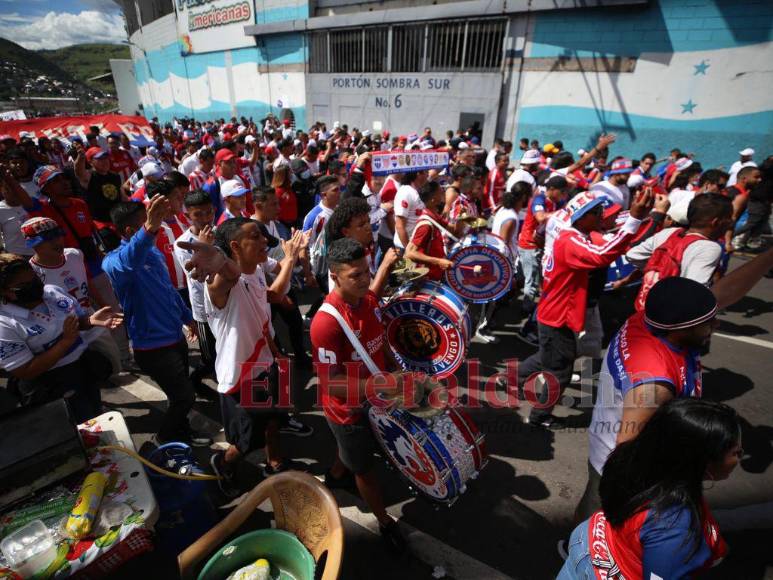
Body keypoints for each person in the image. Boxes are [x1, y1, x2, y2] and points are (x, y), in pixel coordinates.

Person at [577, 250, 773, 521]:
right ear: (680, 329)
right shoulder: (656, 383)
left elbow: (724, 293)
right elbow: (628, 446)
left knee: (592, 510)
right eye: (708, 322)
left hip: (609, 449)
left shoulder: (650, 319)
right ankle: (584, 555)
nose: (715, 324)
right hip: (623, 470)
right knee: (601, 527)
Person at [179, 219, 306, 494]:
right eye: (255, 237)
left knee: (275, 420)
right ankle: (222, 463)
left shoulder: (258, 270)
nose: (264, 242)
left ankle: (275, 463)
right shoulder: (220, 283)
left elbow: (267, 301)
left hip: (270, 363)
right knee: (247, 441)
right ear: (234, 246)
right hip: (244, 377)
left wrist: (277, 353)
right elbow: (228, 275)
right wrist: (219, 260)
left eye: (263, 236)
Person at [518, 188, 653, 430]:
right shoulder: (570, 241)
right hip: (557, 315)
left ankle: (512, 380)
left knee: (550, 358)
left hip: (556, 311)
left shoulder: (566, 229)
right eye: (597, 212)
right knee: (559, 371)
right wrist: (633, 220)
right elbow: (601, 255)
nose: (602, 216)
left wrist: (635, 221)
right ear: (582, 217)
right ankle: (539, 416)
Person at [560, 399, 739, 579]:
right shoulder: (674, 527)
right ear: (702, 461)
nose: (741, 456)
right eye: (735, 453)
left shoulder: (632, 458)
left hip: (589, 541)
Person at [310, 237, 407, 554]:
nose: (366, 280)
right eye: (356, 275)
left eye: (367, 271)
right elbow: (331, 383)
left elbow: (380, 345)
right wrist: (381, 386)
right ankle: (384, 521)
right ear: (335, 276)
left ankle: (336, 474)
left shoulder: (369, 301)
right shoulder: (326, 323)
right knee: (365, 469)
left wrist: (396, 370)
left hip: (375, 399)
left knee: (352, 455)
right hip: (349, 412)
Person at [103, 196, 205, 444]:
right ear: (130, 230)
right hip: (152, 347)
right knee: (185, 397)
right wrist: (149, 228)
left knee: (176, 395)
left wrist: (186, 317)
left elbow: (168, 289)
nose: (158, 227)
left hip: (174, 336)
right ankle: (161, 442)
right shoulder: (114, 262)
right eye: (148, 222)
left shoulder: (153, 252)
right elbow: (129, 261)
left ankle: (181, 433)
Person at [0, 253, 122, 422]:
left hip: (84, 368)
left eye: (34, 278)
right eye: (23, 285)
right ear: (5, 291)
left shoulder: (53, 292)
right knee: (78, 430)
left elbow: (77, 323)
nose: (34, 286)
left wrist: (89, 321)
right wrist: (65, 342)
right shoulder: (4, 324)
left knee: (96, 417)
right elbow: (25, 370)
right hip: (51, 386)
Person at [628, 193, 733, 311]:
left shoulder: (669, 232)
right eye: (729, 218)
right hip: (668, 319)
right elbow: (694, 291)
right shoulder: (709, 248)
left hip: (642, 308)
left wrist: (655, 272)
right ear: (716, 222)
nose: (731, 222)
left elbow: (633, 255)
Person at [174, 189, 217, 394]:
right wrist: (205, 246)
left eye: (208, 212)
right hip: (203, 310)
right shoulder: (182, 243)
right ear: (187, 216)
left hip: (224, 305)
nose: (205, 218)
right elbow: (197, 275)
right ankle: (195, 381)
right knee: (209, 358)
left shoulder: (221, 232)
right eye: (198, 214)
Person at [517, 175, 569, 321]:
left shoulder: (555, 202)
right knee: (531, 280)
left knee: (533, 277)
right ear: (552, 189)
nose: (564, 195)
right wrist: (561, 213)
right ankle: (526, 310)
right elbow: (540, 217)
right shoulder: (539, 200)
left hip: (540, 245)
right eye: (562, 191)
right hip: (530, 245)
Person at [404, 181, 455, 281]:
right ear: (433, 200)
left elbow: (454, 230)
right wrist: (438, 261)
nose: (443, 192)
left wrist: (462, 218)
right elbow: (410, 253)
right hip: (425, 280)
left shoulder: (434, 215)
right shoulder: (426, 225)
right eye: (440, 192)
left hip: (435, 276)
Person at [76, 146, 126, 226]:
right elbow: (79, 172)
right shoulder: (89, 177)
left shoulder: (115, 176)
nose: (105, 161)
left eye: (106, 157)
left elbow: (123, 197)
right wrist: (81, 158)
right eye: (100, 159)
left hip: (120, 221)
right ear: (90, 162)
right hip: (101, 225)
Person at [392, 171, 428, 250]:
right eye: (426, 172)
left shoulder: (416, 191)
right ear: (418, 174)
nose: (428, 175)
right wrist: (409, 251)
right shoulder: (405, 192)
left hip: (415, 246)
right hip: (404, 248)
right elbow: (399, 226)